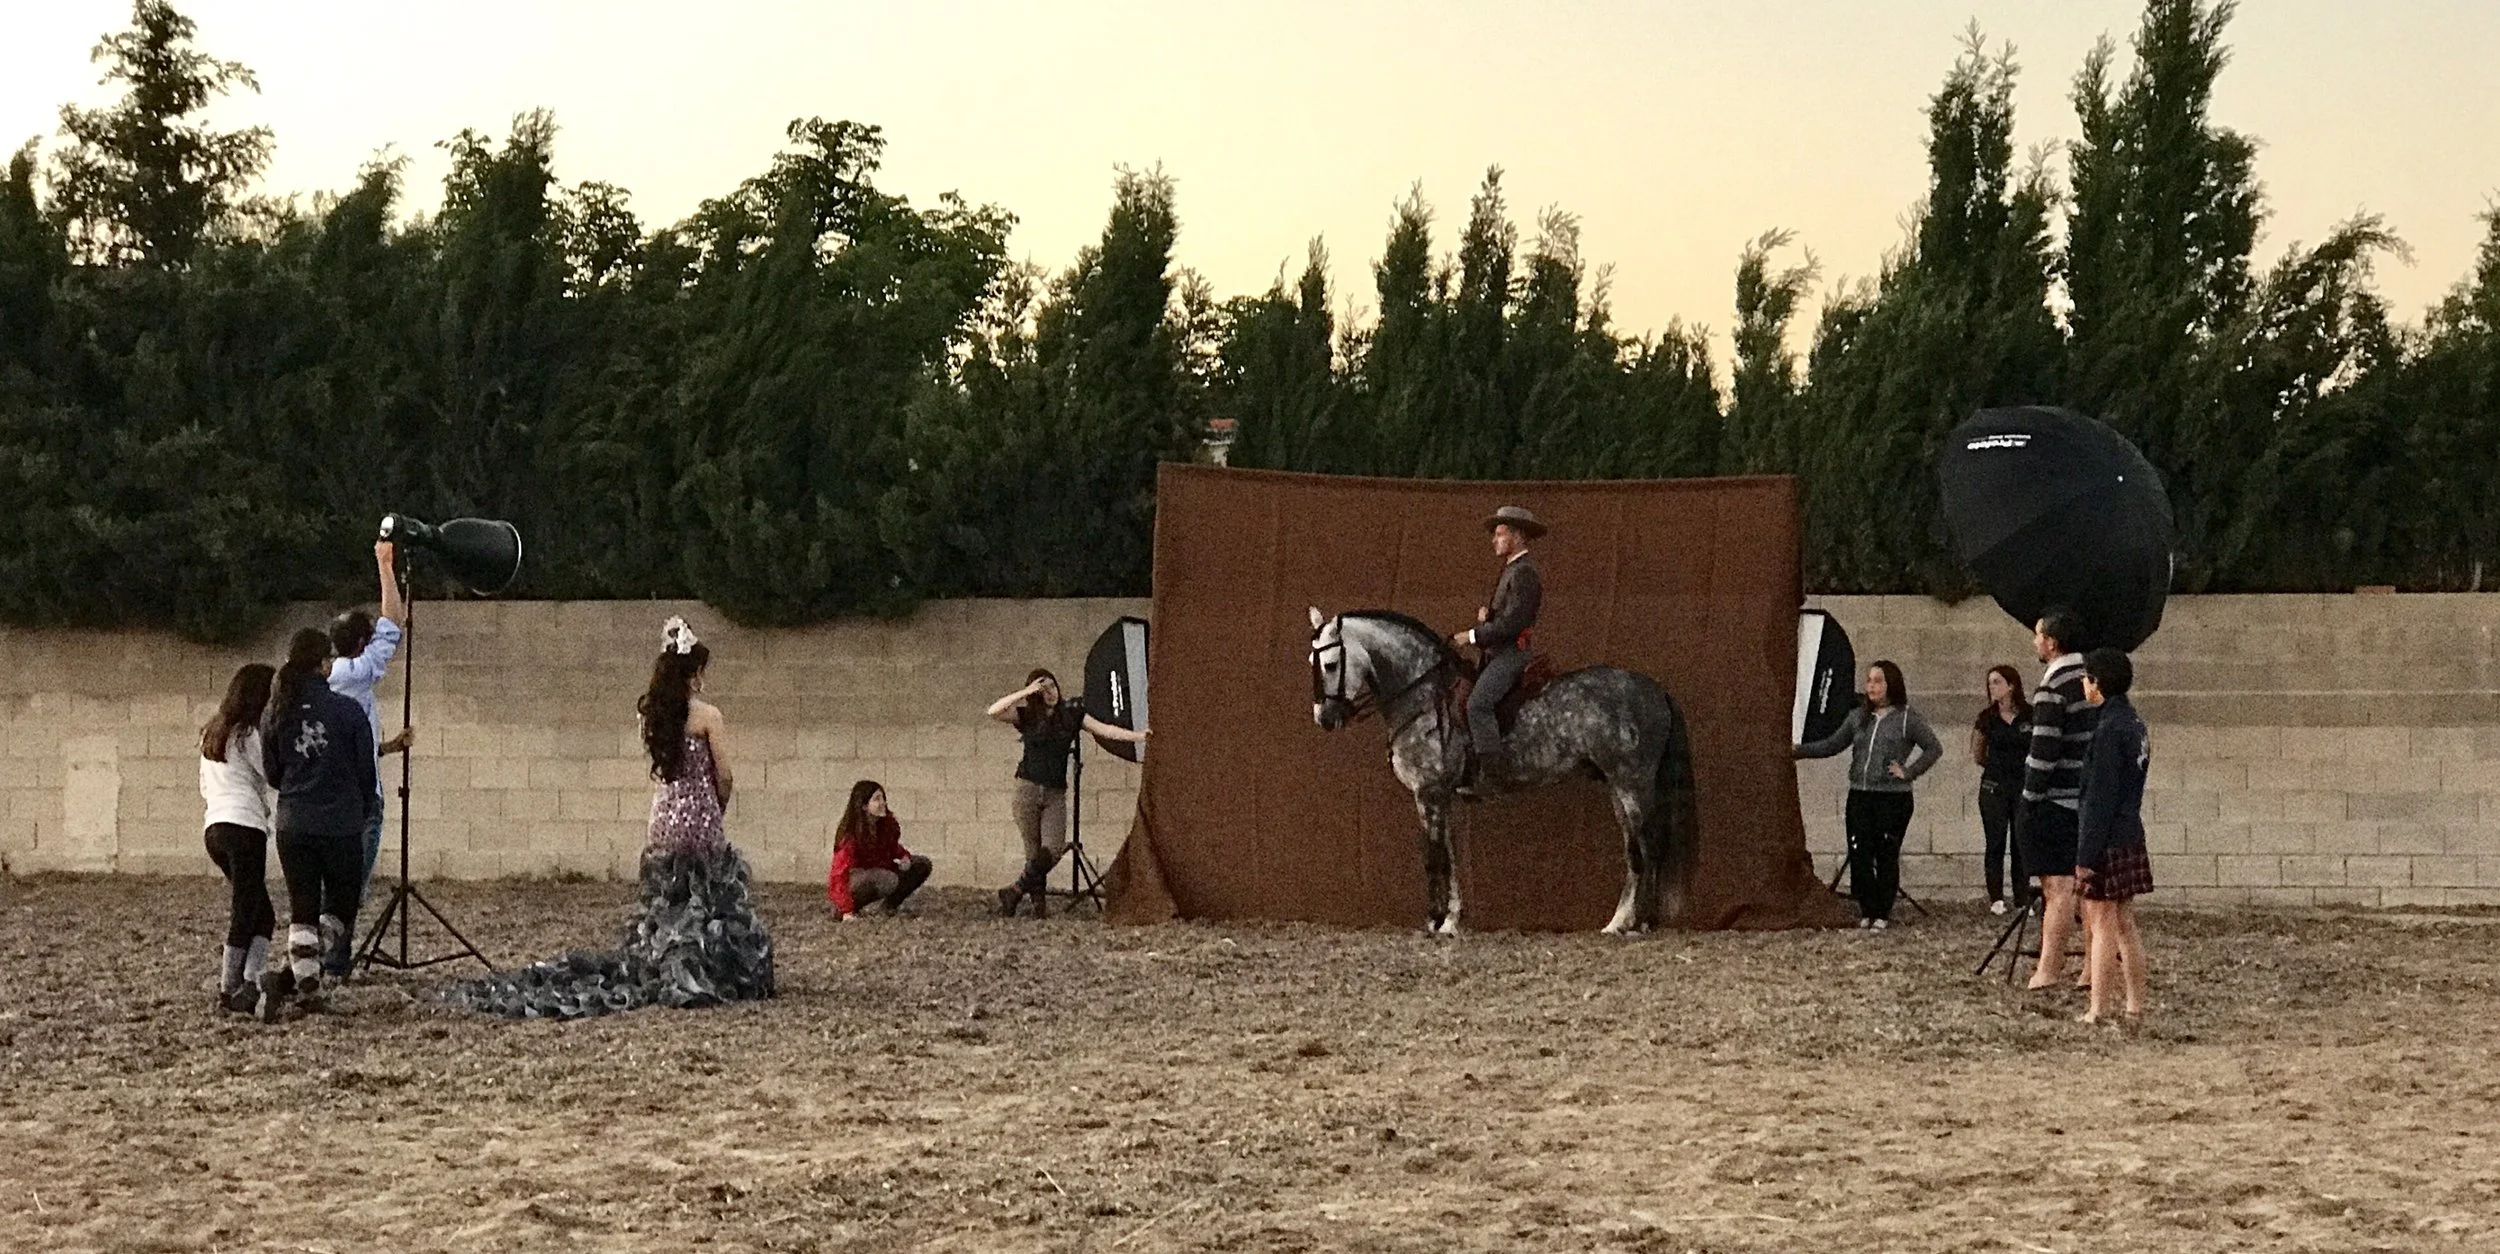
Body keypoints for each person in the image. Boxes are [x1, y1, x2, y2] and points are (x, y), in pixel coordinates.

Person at [444, 617, 775, 1018]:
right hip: (699, 812)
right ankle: (696, 972)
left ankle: (662, 960)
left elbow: (662, 763)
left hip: (664, 814)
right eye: (701, 670)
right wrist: (716, 808)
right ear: (693, 673)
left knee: (668, 899)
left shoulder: (651, 714)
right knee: (705, 898)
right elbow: (724, 775)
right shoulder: (708, 716)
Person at [256, 629, 380, 1021]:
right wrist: (362, 808)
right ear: (324, 664)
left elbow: (273, 773)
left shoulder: (276, 711)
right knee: (341, 907)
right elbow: (365, 771)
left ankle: (298, 981)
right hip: (339, 822)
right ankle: (296, 981)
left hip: (293, 821)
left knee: (302, 907)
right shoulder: (347, 711)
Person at [985, 668, 1148, 918]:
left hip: (1054, 792)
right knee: (1033, 850)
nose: (1050, 692)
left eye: (1052, 686)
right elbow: (994, 711)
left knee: (1053, 848)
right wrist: (1026, 692)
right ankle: (1038, 908)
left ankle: (1015, 890)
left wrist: (1138, 736)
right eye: (1044, 689)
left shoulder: (1071, 714)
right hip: (1027, 789)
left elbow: (1105, 729)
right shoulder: (1028, 715)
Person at [1792, 660, 1942, 929]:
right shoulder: (1858, 717)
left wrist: (1909, 771)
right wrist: (1798, 751)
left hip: (1892, 798)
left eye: (1878, 681)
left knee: (1886, 853)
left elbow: (1933, 748)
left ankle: (1882, 912)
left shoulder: (1908, 718)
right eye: (1869, 681)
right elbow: (1832, 744)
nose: (1871, 686)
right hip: (1860, 794)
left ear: (1891, 685)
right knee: (1859, 851)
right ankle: (1867, 908)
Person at [326, 540, 415, 973]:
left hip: (329, 791)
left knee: (329, 881)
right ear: (360, 643)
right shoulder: (356, 672)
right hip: (361, 797)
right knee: (352, 884)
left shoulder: (325, 679)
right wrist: (385, 565)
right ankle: (335, 958)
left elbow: (350, 740)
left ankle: (322, 956)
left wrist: (390, 747)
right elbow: (393, 622)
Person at [2020, 609, 2097, 991]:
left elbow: (2044, 749)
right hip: (2088, 796)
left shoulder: (2053, 688)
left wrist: (2030, 795)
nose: (2035, 641)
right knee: (2088, 891)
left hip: (2057, 799)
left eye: (2038, 635)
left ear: (2051, 642)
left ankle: (2049, 969)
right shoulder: (2091, 680)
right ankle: (2090, 970)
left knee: (2057, 888)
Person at [2075, 648, 2153, 1024]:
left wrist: (2086, 857)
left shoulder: (2107, 731)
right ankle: (2135, 1003)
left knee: (2102, 921)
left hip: (2106, 837)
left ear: (2098, 682)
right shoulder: (2135, 724)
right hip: (2130, 831)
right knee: (2125, 922)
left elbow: (2098, 799)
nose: (2083, 683)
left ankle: (2098, 1007)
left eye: (2087, 677)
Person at [1449, 505, 1545, 791]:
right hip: (1498, 652)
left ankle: (1494, 775)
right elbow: (1508, 617)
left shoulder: (1524, 573)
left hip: (1511, 654)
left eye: (1500, 534)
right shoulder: (1512, 570)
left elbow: (1514, 624)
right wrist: (1489, 617)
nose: (1494, 540)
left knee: (1478, 705)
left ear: (1517, 536)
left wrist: (1473, 635)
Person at [199, 663, 277, 1014]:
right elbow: (272, 775)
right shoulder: (250, 735)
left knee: (262, 911)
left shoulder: (212, 733)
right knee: (247, 909)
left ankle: (250, 978)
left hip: (215, 826)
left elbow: (205, 786)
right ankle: (231, 987)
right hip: (245, 827)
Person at [1971, 664, 2034, 914]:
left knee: (2021, 843)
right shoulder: (1987, 717)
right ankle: (1996, 897)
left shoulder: (2030, 715)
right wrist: (1994, 766)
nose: (1992, 687)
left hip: (2022, 786)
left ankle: (2022, 897)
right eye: (1990, 683)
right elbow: (1978, 752)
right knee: (1995, 841)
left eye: (1997, 682)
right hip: (1995, 787)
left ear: (2011, 685)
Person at [827, 780, 932, 919]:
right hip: (857, 879)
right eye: (877, 799)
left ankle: (888, 908)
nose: (883, 803)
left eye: (883, 798)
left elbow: (892, 847)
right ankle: (846, 910)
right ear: (864, 805)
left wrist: (904, 856)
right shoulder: (850, 836)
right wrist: (846, 909)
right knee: (887, 879)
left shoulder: (886, 825)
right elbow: (838, 875)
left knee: (921, 864)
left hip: (880, 871)